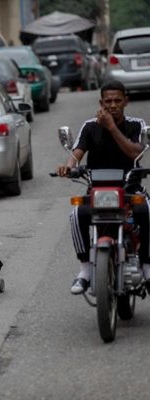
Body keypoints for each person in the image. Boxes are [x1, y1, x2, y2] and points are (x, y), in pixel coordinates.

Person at [56, 80, 149, 294]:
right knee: (76, 214)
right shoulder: (90, 126)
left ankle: (146, 265)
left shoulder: (136, 125)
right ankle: (85, 269)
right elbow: (76, 154)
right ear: (101, 102)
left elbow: (136, 153)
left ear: (126, 101)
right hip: (97, 193)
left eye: (118, 100)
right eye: (108, 101)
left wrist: (111, 127)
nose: (113, 105)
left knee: (147, 211)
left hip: (129, 190)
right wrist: (68, 167)